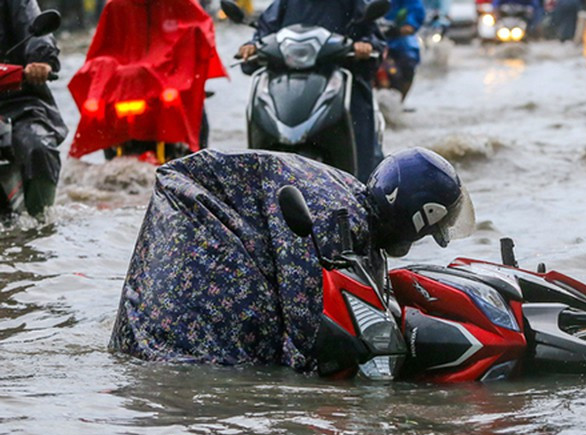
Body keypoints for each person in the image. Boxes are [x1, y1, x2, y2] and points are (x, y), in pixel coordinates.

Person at [109, 147, 474, 373]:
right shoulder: (334, 219)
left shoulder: (357, 208)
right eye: (430, 228)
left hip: (199, 207)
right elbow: (304, 311)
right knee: (235, 350)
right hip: (198, 211)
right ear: (416, 215)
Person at [237, 0, 387, 182]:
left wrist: (365, 44)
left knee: (360, 132)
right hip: (288, 80)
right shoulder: (286, 3)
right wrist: (252, 46)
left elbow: (371, 35)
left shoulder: (353, 3)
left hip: (337, 76)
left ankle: (362, 186)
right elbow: (264, 31)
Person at [68, 0, 227, 160]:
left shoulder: (115, 5)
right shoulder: (120, 6)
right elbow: (204, 33)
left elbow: (101, 48)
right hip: (153, 80)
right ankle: (199, 161)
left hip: (139, 82)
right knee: (195, 115)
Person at [0, 0, 67, 217]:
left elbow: (35, 29)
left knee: (40, 147)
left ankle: (40, 221)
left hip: (17, 99)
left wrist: (41, 61)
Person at [383, 0, 426, 100]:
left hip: (401, 43)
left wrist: (408, 26)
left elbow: (416, 14)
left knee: (408, 65)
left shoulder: (411, 3)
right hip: (374, 40)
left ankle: (400, 100)